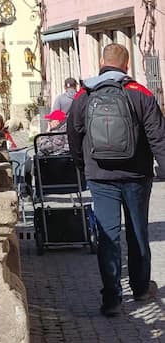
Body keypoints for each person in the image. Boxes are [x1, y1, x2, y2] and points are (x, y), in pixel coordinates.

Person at [66, 44, 165, 316]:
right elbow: (158, 136)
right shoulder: (140, 93)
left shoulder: (84, 94)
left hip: (100, 176)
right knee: (137, 232)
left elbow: (73, 133)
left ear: (101, 62)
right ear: (127, 64)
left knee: (108, 236)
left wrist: (81, 163)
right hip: (136, 176)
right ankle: (141, 287)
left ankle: (112, 299)